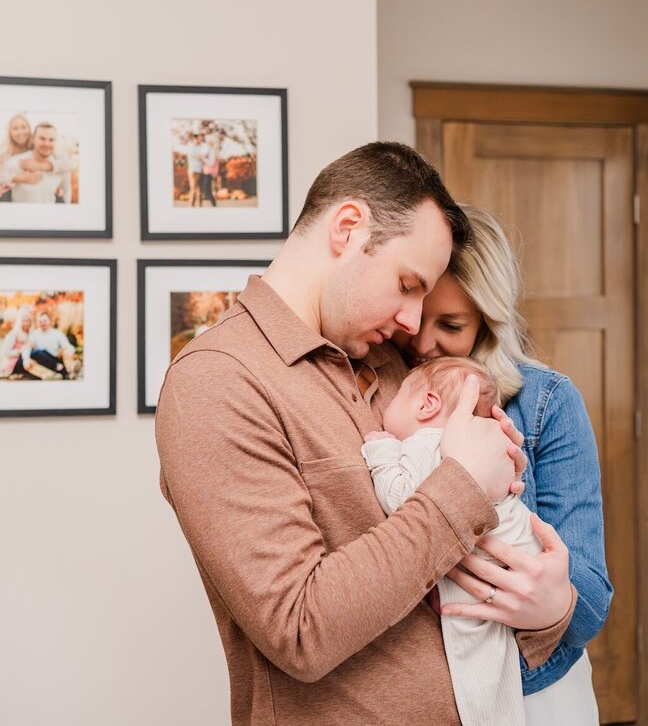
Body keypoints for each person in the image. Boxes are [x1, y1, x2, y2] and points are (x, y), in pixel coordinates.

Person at [156, 142, 575, 726]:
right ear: (348, 229)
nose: (412, 322)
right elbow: (298, 629)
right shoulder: (217, 382)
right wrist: (462, 485)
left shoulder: (394, 368)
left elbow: (477, 584)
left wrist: (552, 610)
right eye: (407, 284)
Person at [389, 205, 611, 725]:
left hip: (533, 693)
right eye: (419, 319)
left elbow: (593, 598)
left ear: (489, 323)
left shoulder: (545, 404)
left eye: (451, 325)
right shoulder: (379, 391)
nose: (424, 344)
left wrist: (552, 605)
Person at [362, 355, 542, 726]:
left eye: (396, 397)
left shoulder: (427, 442)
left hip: (478, 579)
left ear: (427, 405)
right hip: (514, 564)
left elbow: (402, 502)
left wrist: (381, 453)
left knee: (475, 685)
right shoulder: (484, 445)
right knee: (498, 685)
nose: (386, 407)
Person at [8, 122, 71, 204]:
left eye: (51, 140)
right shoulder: (18, 161)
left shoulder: (62, 166)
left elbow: (67, 193)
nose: (47, 144)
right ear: (33, 139)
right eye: (42, 138)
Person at [22, 312, 79, 380]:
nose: (42, 323)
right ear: (37, 322)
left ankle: (70, 370)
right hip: (42, 361)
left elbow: (68, 346)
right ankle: (54, 375)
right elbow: (27, 348)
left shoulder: (57, 333)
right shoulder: (33, 334)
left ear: (49, 321)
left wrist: (69, 351)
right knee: (36, 354)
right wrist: (26, 359)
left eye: (45, 321)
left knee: (65, 350)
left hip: (56, 358)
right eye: (40, 321)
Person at [0, 310, 35, 378]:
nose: (26, 323)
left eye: (28, 321)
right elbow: (4, 352)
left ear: (31, 322)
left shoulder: (31, 335)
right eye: (24, 321)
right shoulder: (14, 334)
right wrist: (19, 351)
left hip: (25, 361)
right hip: (13, 362)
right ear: (20, 322)